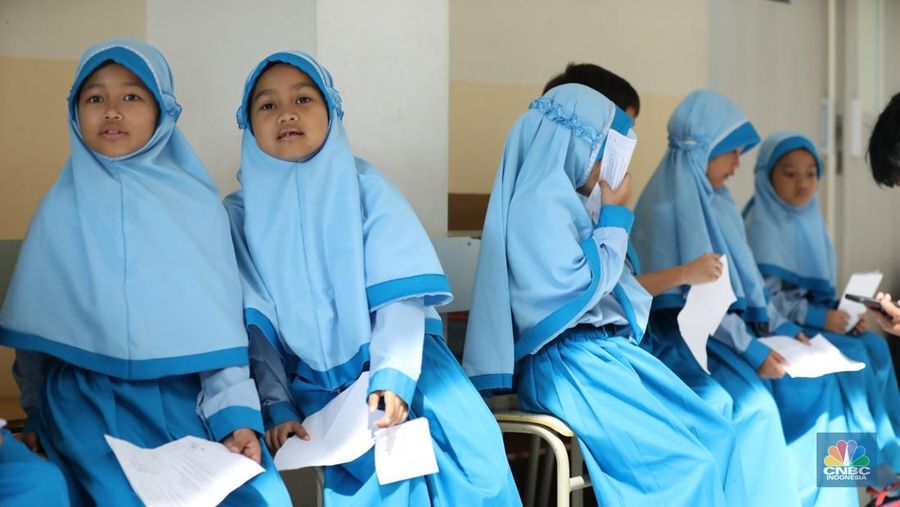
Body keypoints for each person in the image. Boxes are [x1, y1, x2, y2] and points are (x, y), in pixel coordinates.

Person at [0, 39, 290, 506]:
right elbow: (37, 347)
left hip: (189, 397)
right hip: (87, 401)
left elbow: (217, 336)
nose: (112, 111)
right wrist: (35, 417)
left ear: (163, 112)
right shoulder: (59, 210)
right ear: (75, 112)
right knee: (120, 494)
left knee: (256, 494)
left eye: (132, 96)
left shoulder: (197, 208)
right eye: (95, 98)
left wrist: (236, 418)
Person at [225, 50, 520, 506]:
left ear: (331, 111)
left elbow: (400, 298)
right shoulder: (240, 217)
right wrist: (278, 406)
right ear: (248, 125)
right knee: (377, 492)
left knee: (472, 470)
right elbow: (257, 334)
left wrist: (394, 377)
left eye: (303, 99)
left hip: (412, 371)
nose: (286, 112)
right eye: (266, 105)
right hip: (329, 399)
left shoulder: (365, 187)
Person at [633, 89, 805, 506]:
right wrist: (752, 350)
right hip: (684, 344)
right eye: (729, 152)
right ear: (700, 151)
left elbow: (746, 293)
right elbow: (697, 306)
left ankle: (853, 484)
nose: (736, 165)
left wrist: (785, 330)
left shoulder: (719, 204)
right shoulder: (669, 209)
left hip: (726, 337)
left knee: (833, 378)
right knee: (757, 409)